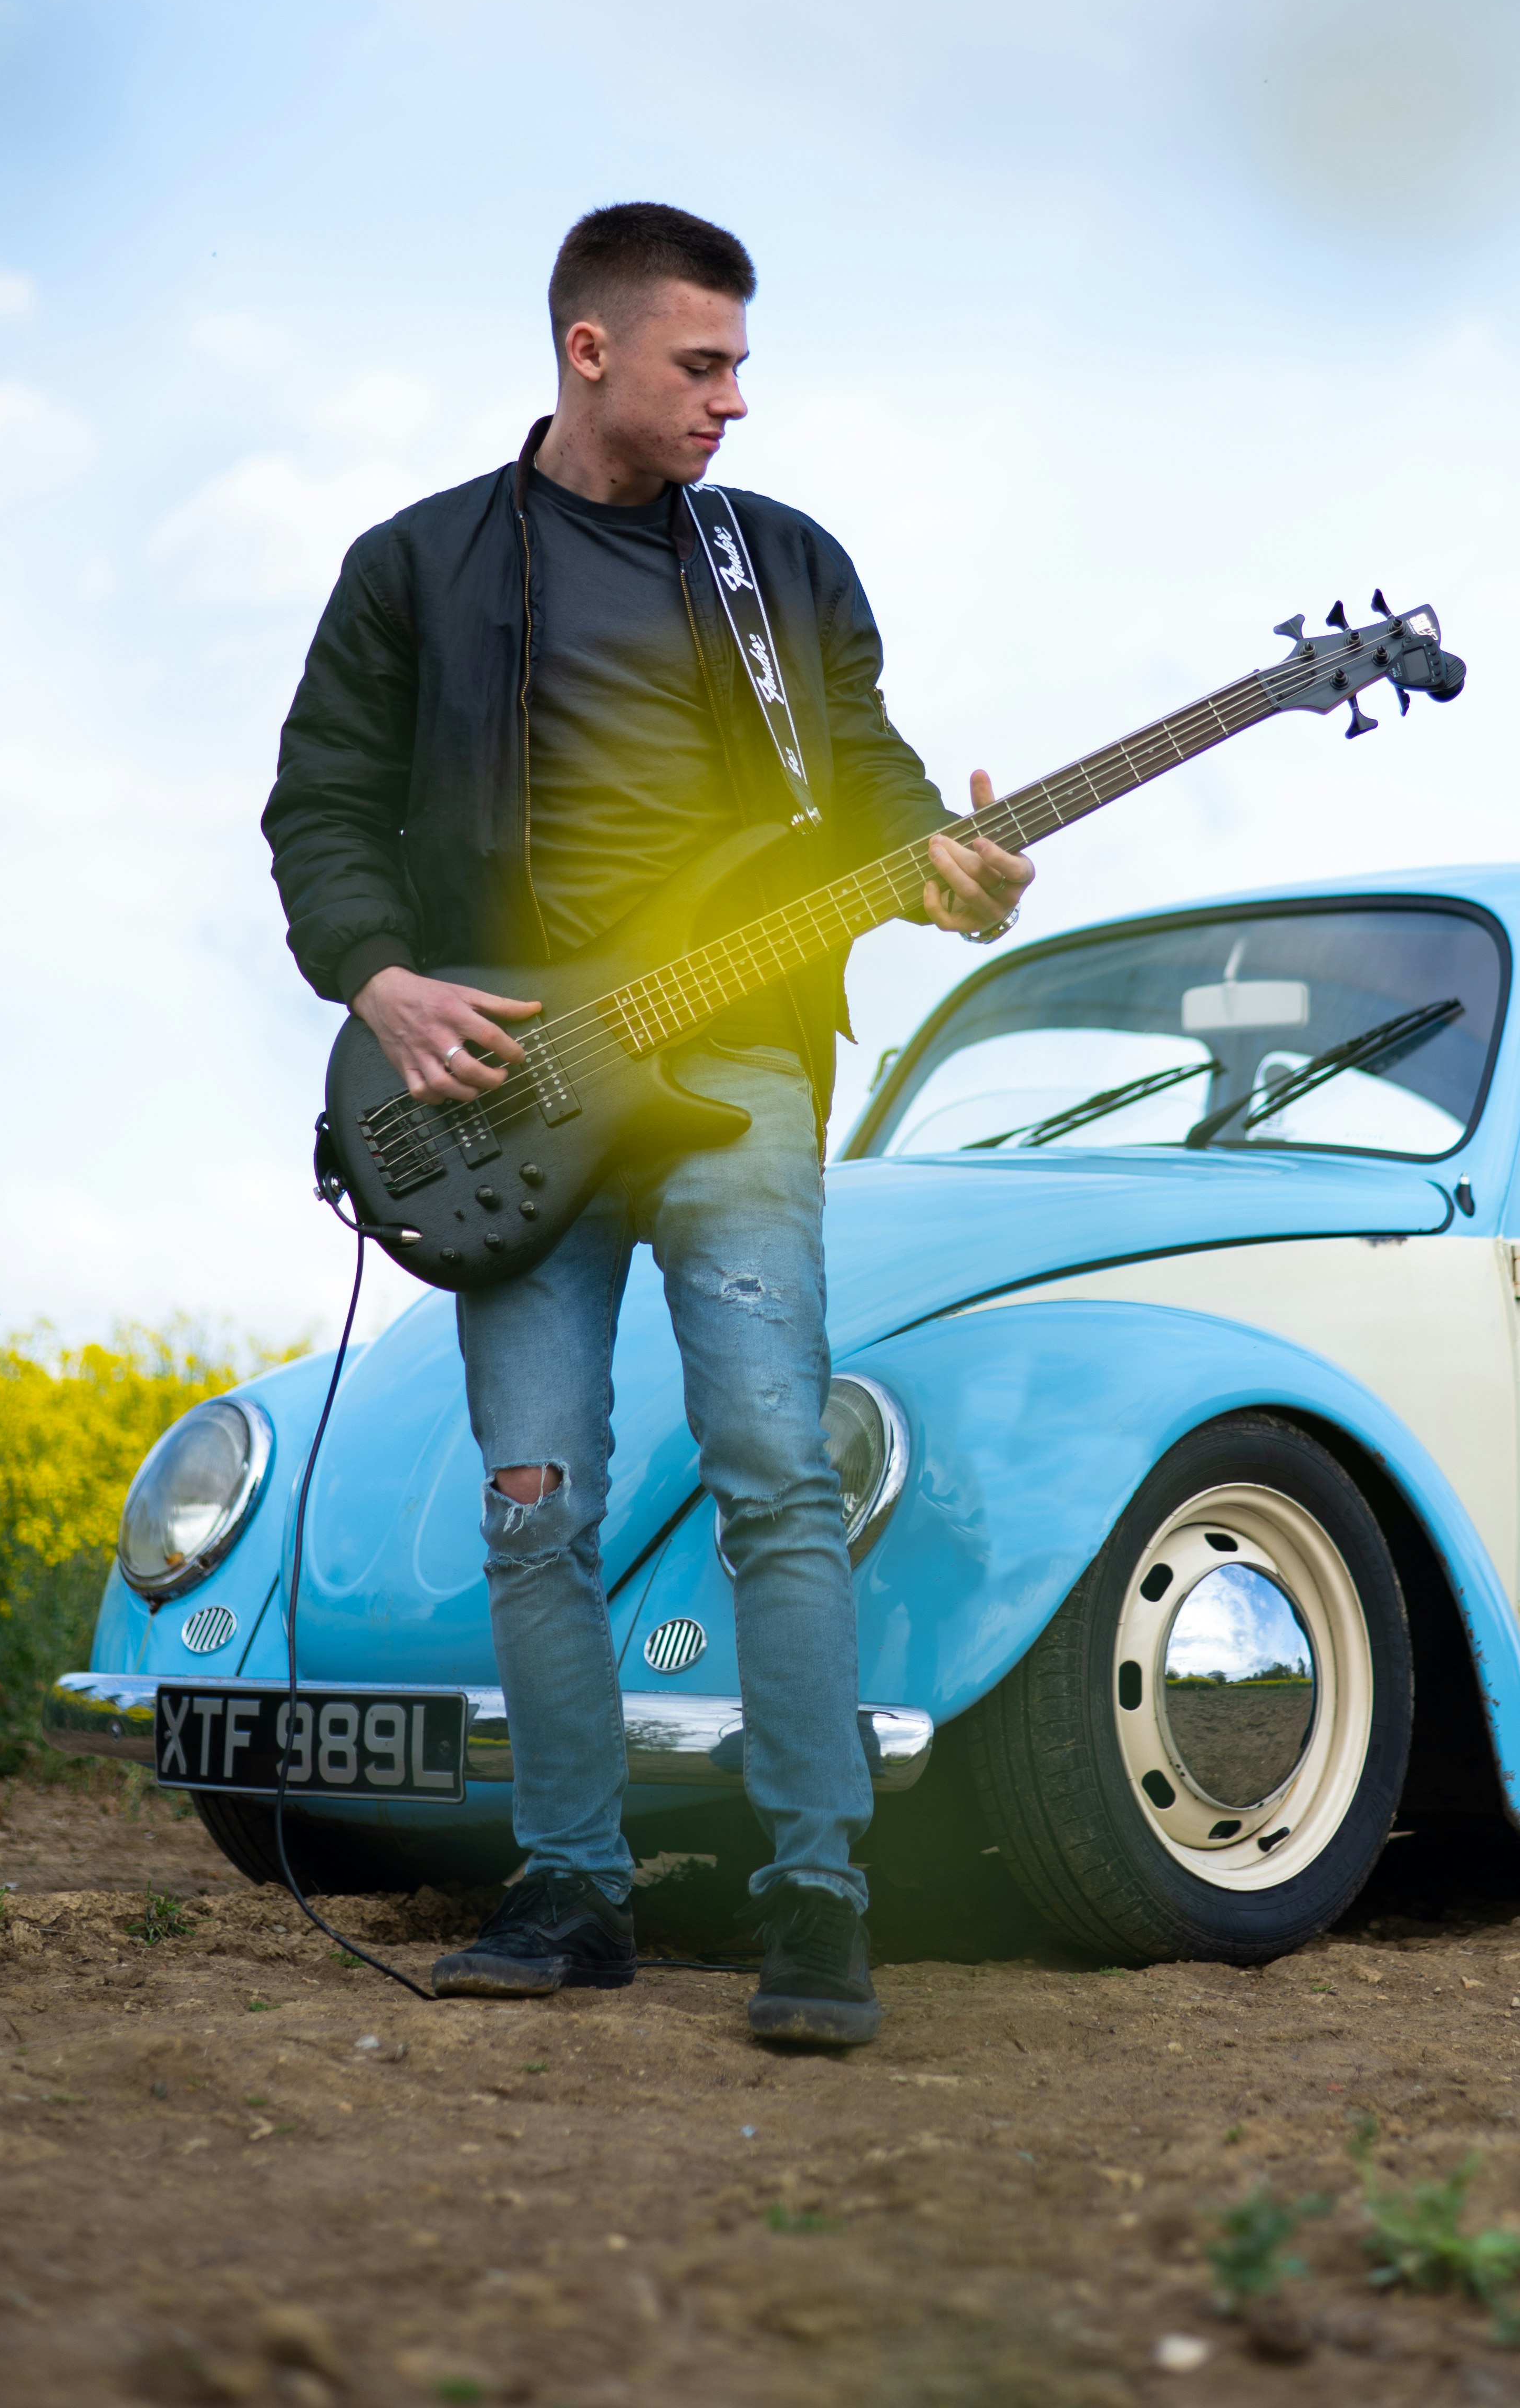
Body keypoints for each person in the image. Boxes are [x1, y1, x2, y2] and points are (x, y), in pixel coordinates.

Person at [262, 203, 1032, 2045]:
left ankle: (817, 1896)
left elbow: (876, 792)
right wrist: (382, 981)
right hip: (504, 1088)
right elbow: (319, 809)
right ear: (589, 349)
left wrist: (952, 873)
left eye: (746, 365)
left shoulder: (787, 570)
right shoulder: (417, 566)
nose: (737, 403)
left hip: (738, 1071)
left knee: (775, 1467)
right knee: (539, 1505)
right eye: (705, 364)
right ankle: (571, 1888)